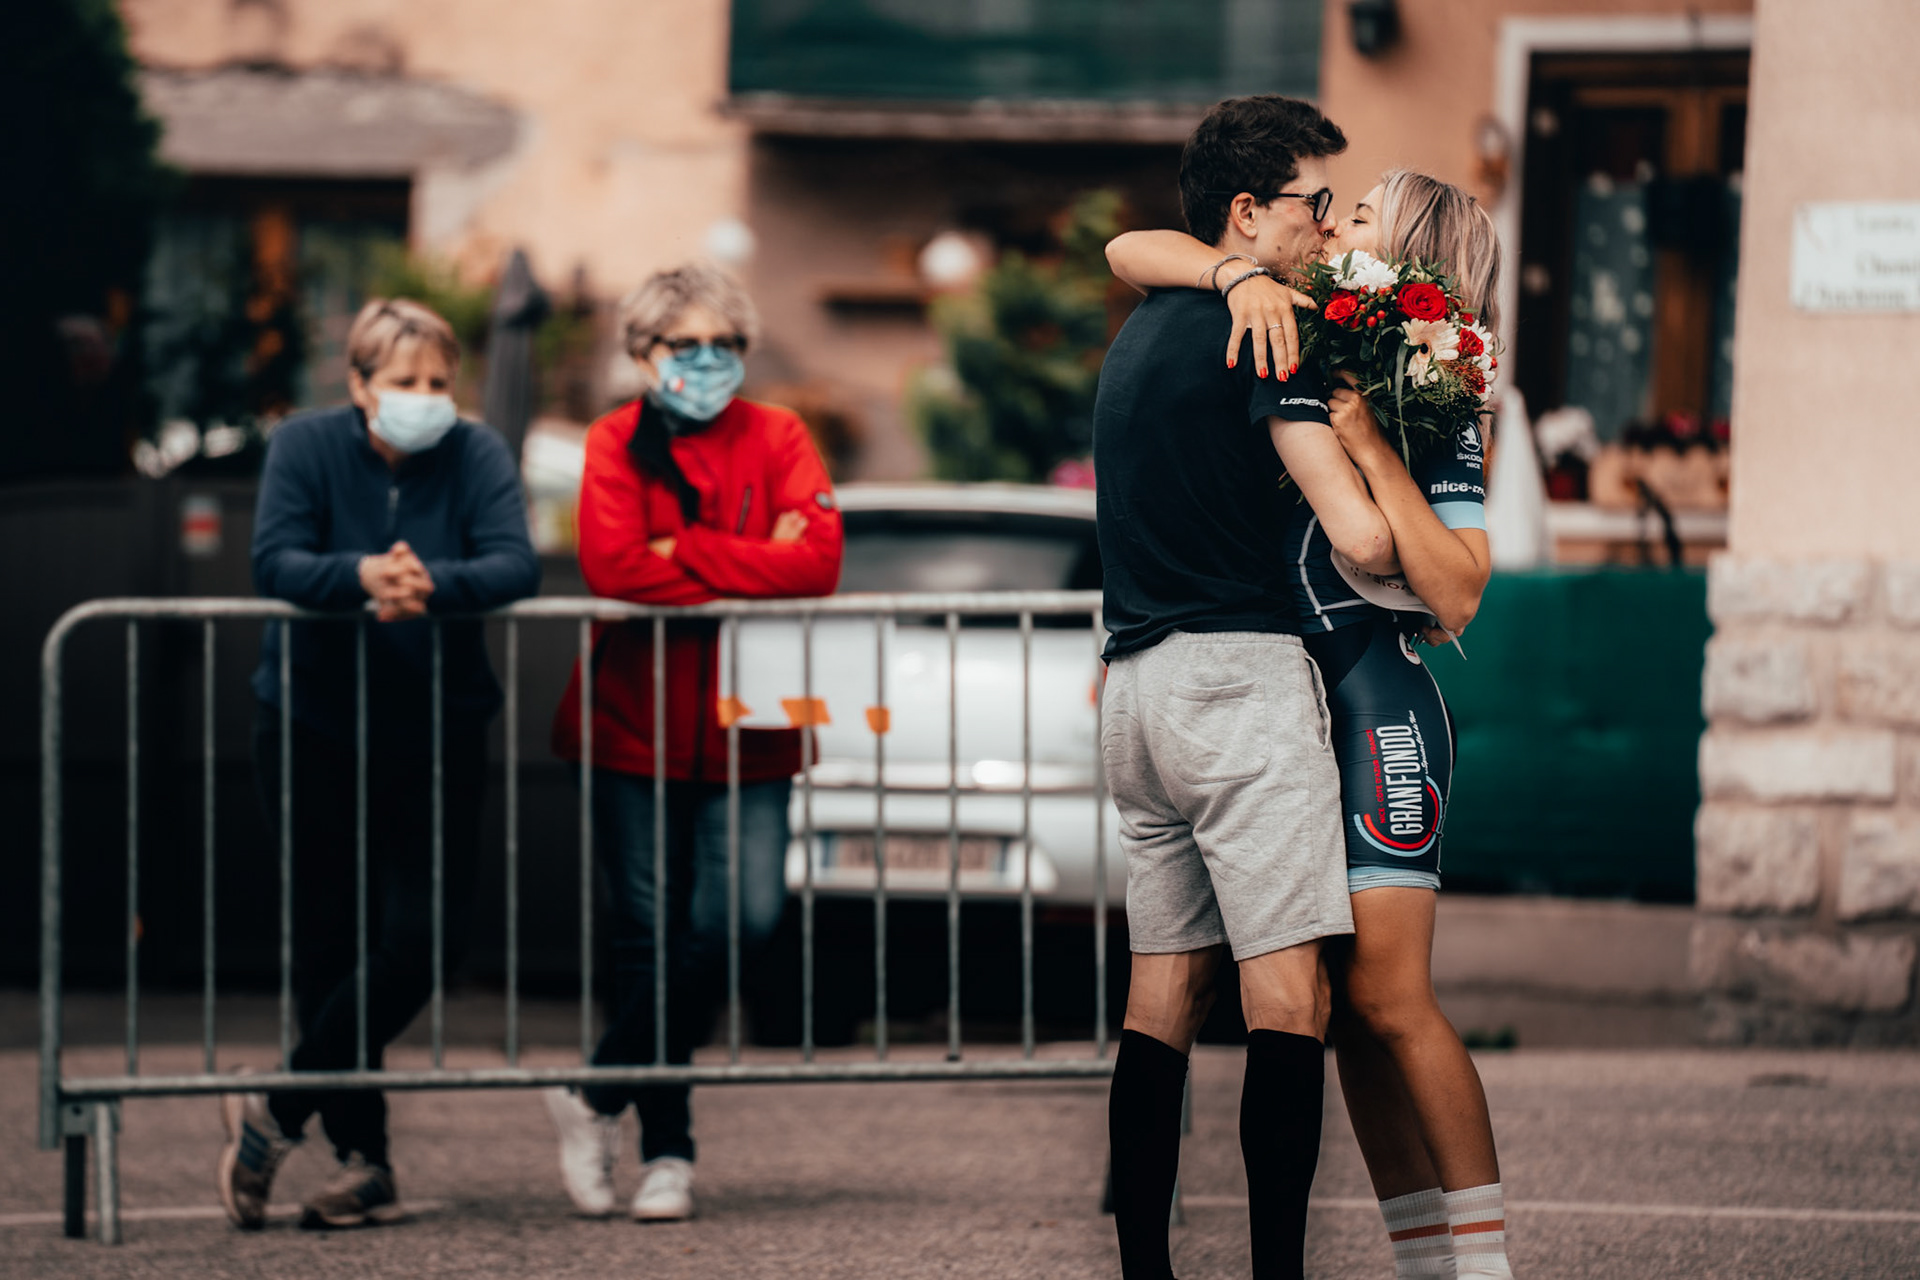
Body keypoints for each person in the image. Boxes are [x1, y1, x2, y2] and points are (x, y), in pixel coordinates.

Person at [1105, 169, 1515, 1278]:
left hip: (1377, 703)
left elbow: (1460, 592)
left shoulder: (1437, 388)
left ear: (1412, 253)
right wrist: (1235, 274)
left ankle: (1484, 1266)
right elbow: (1131, 251)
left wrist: (1371, 447)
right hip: (1283, 704)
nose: (1334, 223)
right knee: (1333, 1010)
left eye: (1362, 213)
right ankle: (1422, 1258)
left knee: (1388, 997)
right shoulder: (1299, 328)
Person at [1094, 95, 1414, 1280]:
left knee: (1163, 996)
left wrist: (1230, 275)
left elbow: (1127, 246)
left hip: (1137, 689)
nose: (1327, 227)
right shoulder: (1270, 334)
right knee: (1290, 999)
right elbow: (1361, 537)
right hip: (1238, 681)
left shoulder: (1149, 323)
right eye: (1314, 204)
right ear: (1246, 211)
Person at [220, 297, 541, 1230]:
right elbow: (276, 561)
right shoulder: (305, 445)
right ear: (359, 385)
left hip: (439, 726)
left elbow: (515, 564)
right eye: (405, 381)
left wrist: (432, 583)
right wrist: (359, 574)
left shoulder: (477, 452)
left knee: (425, 941)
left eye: (440, 381)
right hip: (313, 722)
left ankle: (276, 1108)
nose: (426, 397)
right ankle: (366, 1162)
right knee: (330, 942)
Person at [545, 262, 843, 1223]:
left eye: (725, 344)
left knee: (744, 918)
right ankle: (668, 1154)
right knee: (649, 938)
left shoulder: (779, 434)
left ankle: (594, 1091)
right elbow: (615, 567)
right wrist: (756, 557)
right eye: (685, 345)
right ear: (643, 354)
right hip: (634, 721)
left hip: (751, 726)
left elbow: (820, 563)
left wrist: (691, 551)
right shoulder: (614, 440)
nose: (707, 361)